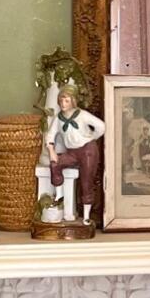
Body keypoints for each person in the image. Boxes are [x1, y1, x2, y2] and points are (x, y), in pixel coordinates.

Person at [45, 83, 106, 219]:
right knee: (55, 164)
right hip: (72, 152)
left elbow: (101, 126)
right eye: (61, 100)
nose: (63, 103)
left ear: (73, 101)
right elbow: (50, 135)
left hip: (87, 151)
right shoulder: (59, 118)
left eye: (66, 100)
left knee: (86, 182)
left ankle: (86, 216)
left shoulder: (82, 115)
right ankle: (59, 196)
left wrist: (91, 138)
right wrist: (51, 150)